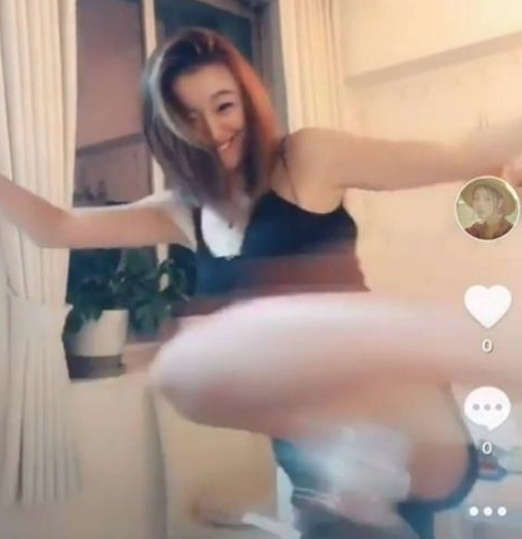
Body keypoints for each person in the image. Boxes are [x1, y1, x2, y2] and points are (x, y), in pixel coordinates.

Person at [0, 27, 521, 538]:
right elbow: (56, 228)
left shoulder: (306, 160)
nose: (212, 130)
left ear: (248, 101)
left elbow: (450, 158)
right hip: (314, 455)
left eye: (224, 106)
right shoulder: (184, 211)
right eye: (189, 117)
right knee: (182, 368)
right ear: (169, 129)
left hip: (399, 421)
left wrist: (501, 156)